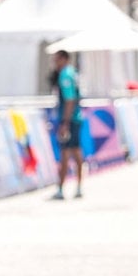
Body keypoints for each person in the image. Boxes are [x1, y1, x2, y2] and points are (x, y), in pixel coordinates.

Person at [50, 49, 84, 199]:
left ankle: (61, 188)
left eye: (57, 60)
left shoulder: (65, 75)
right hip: (76, 117)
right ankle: (78, 187)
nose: (55, 63)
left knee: (65, 154)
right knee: (76, 152)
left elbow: (70, 100)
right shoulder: (73, 72)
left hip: (69, 119)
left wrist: (65, 122)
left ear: (64, 59)